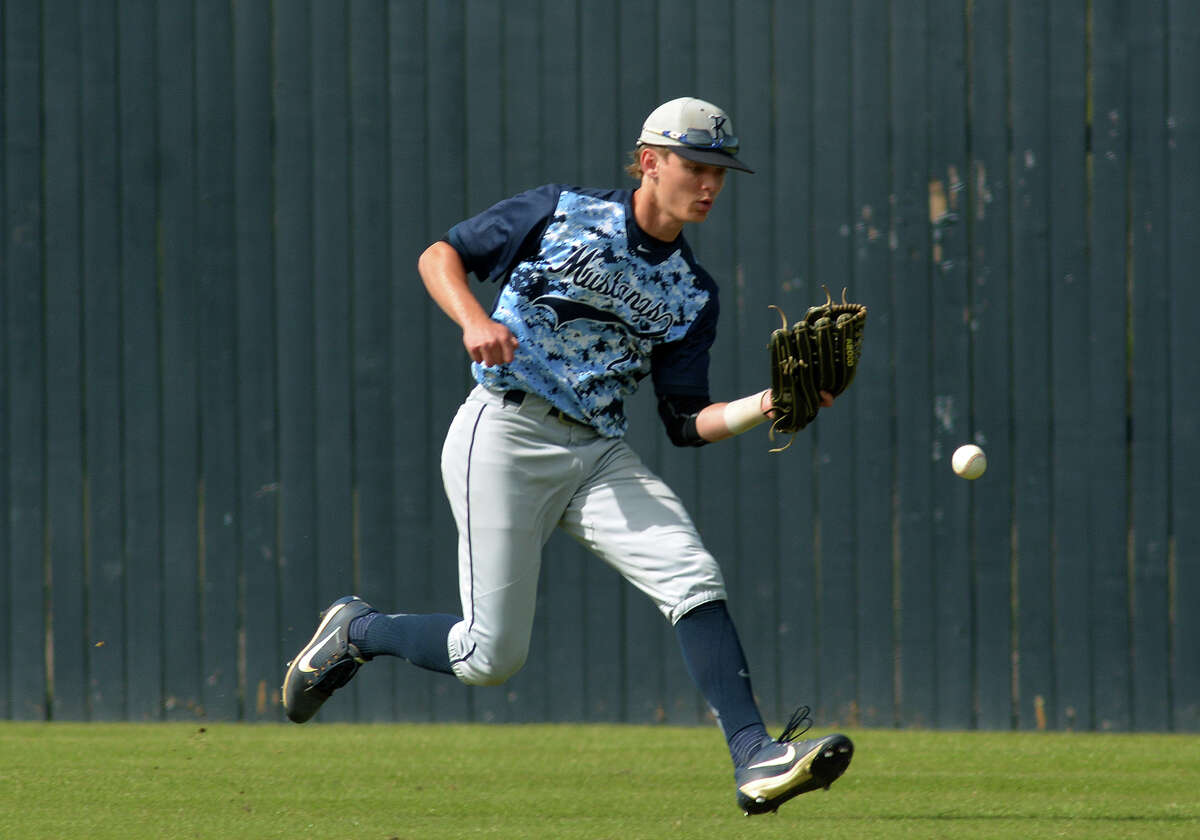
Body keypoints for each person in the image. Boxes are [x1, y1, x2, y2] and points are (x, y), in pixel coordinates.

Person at [282, 96, 853, 816]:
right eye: (695, 165)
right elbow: (442, 255)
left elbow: (683, 420)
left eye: (720, 171)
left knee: (691, 574)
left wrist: (766, 405)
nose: (709, 183)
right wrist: (474, 319)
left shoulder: (691, 293)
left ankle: (755, 756)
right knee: (489, 658)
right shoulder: (563, 212)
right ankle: (357, 632)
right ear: (650, 161)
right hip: (504, 433)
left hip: (596, 453)